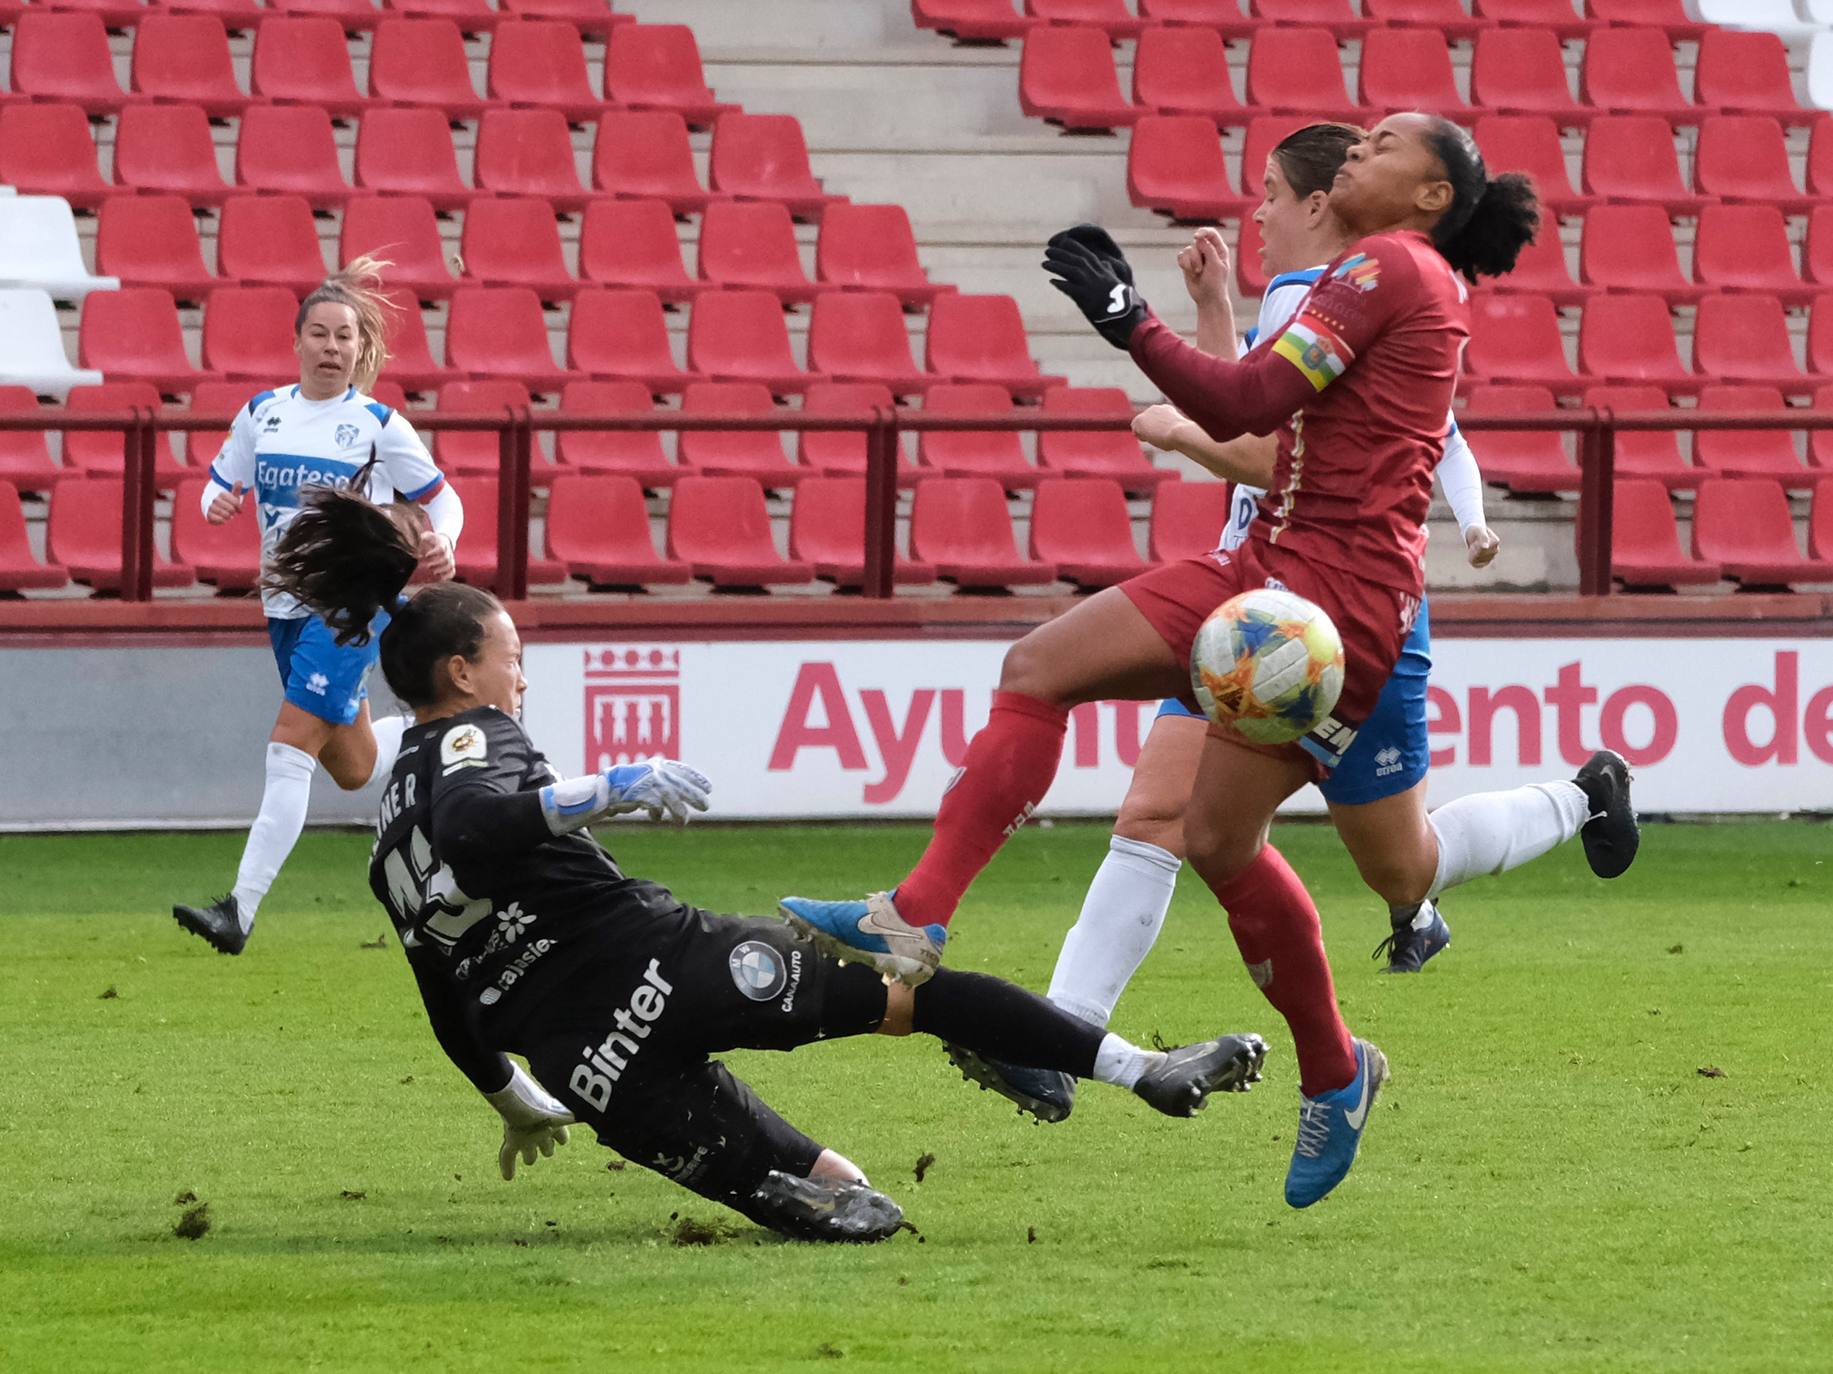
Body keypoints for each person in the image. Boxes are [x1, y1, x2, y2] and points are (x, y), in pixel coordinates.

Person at [783, 113, 1589, 1208]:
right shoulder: (1371, 270)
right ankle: (916, 916)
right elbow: (1265, 397)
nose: (1363, 141)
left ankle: (1338, 1069)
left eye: (1389, 140)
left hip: (1334, 611)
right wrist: (1170, 325)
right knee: (1040, 672)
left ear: (1431, 195)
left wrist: (1131, 322)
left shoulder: (1392, 266)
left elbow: (1248, 406)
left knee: (1242, 841)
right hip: (1270, 564)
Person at [258, 487, 1270, 1243]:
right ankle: (1141, 1071)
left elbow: (443, 988)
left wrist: (509, 1093)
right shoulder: (479, 738)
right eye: (510, 652)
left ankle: (794, 1187)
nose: (520, 672)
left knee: (843, 1196)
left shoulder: (392, 830)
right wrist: (611, 786)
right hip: (661, 969)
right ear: (461, 672)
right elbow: (483, 827)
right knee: (906, 995)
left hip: (590, 1067)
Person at [966, 125, 1640, 1123]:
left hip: (1335, 615)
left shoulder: (1369, 279)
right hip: (1262, 598)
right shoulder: (1334, 287)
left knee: (1397, 864)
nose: (1258, 209)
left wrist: (1184, 425)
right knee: (1171, 818)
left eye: (1274, 190)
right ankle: (1066, 1037)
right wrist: (1208, 313)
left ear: (1324, 202)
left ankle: (1579, 799)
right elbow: (1262, 402)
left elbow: (1270, 441)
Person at [171, 259, 463, 957]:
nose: (333, 347)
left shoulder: (376, 424)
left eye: (346, 337)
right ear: (297, 341)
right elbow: (221, 481)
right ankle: (441, 726)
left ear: (362, 350)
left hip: (348, 607)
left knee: (288, 744)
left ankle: (238, 909)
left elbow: (442, 499)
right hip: (282, 607)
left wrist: (442, 539)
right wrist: (216, 501)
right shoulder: (261, 413)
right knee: (352, 765)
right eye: (322, 334)